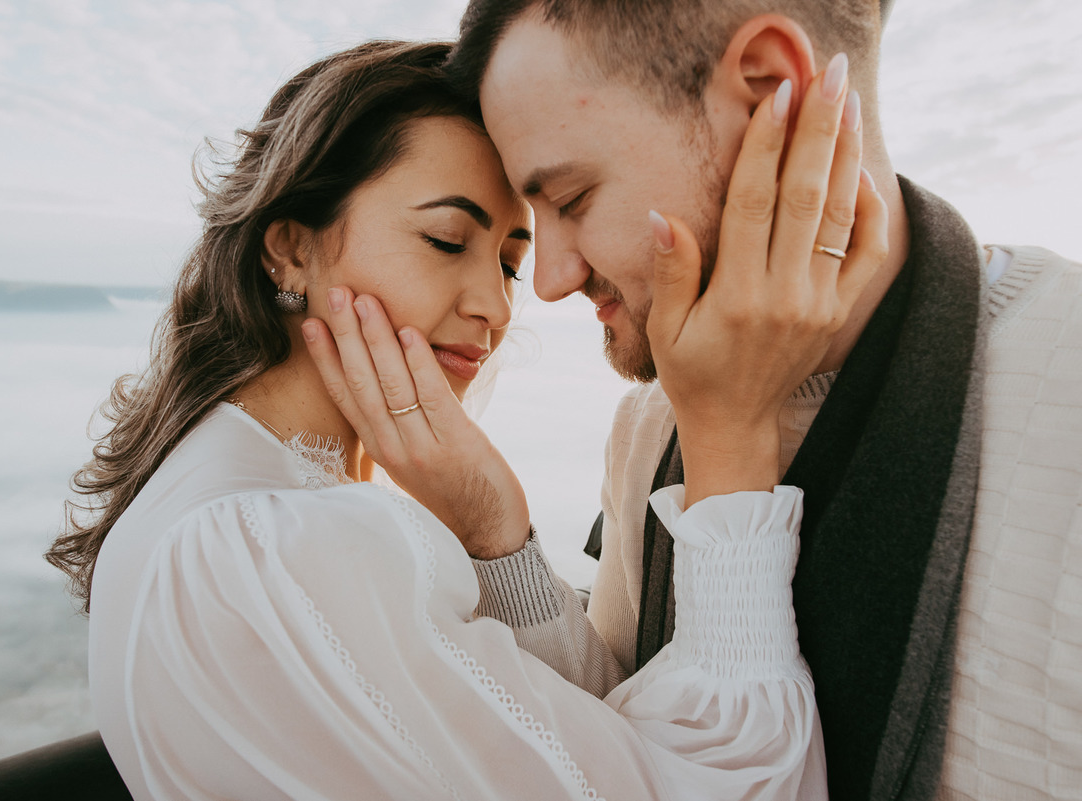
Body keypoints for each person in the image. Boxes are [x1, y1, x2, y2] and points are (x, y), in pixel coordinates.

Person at [44, 39, 888, 801]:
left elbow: (569, 744)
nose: (493, 306)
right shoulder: (281, 547)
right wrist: (729, 437)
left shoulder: (233, 498)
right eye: (448, 239)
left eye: (510, 265)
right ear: (290, 247)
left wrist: (495, 526)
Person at [416, 2, 1082, 800]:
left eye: (573, 197)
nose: (550, 278)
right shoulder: (653, 425)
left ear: (771, 89)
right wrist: (496, 530)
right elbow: (627, 737)